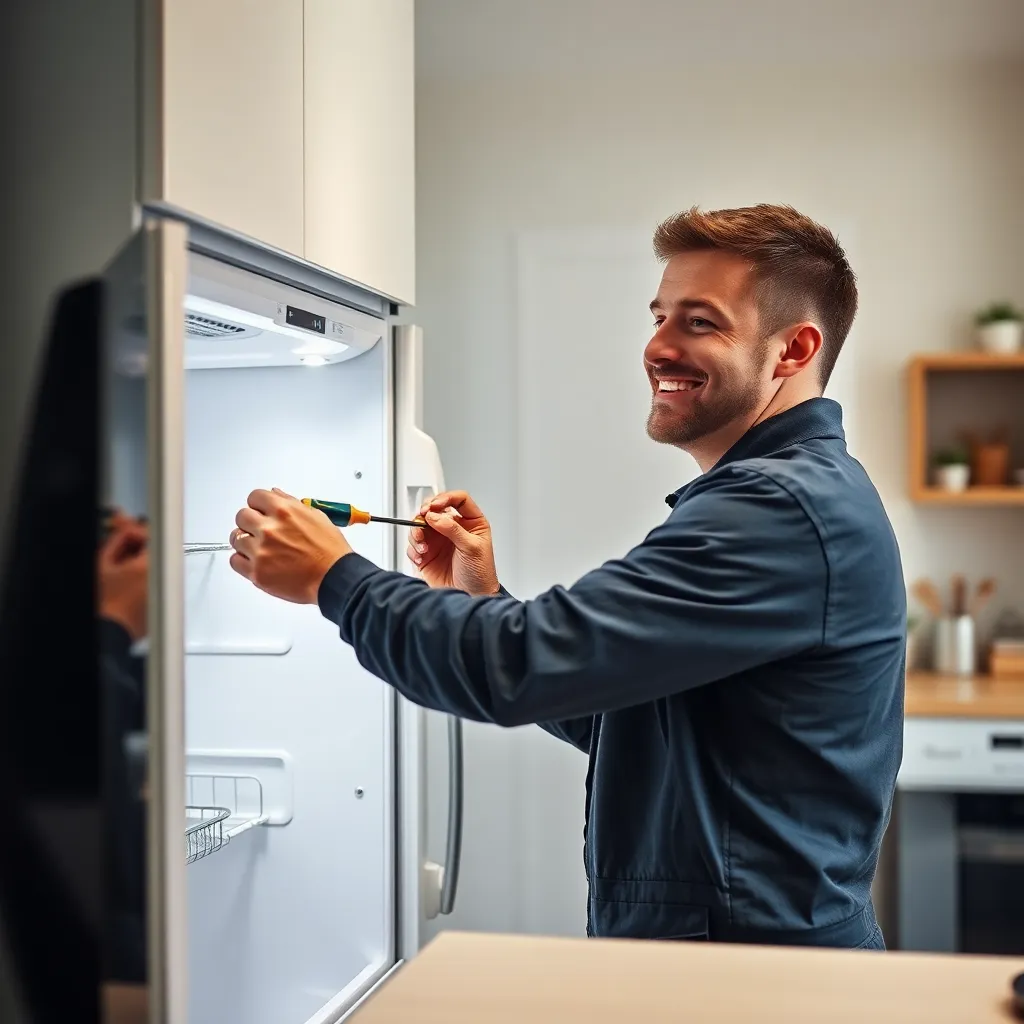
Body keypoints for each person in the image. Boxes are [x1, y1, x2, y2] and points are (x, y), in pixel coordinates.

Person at [228, 204, 905, 950]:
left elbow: (515, 668)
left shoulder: (776, 508)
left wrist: (334, 576)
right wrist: (483, 598)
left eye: (700, 323)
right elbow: (632, 716)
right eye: (660, 317)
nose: (658, 347)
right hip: (734, 956)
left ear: (792, 349)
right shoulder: (779, 495)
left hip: (748, 977)